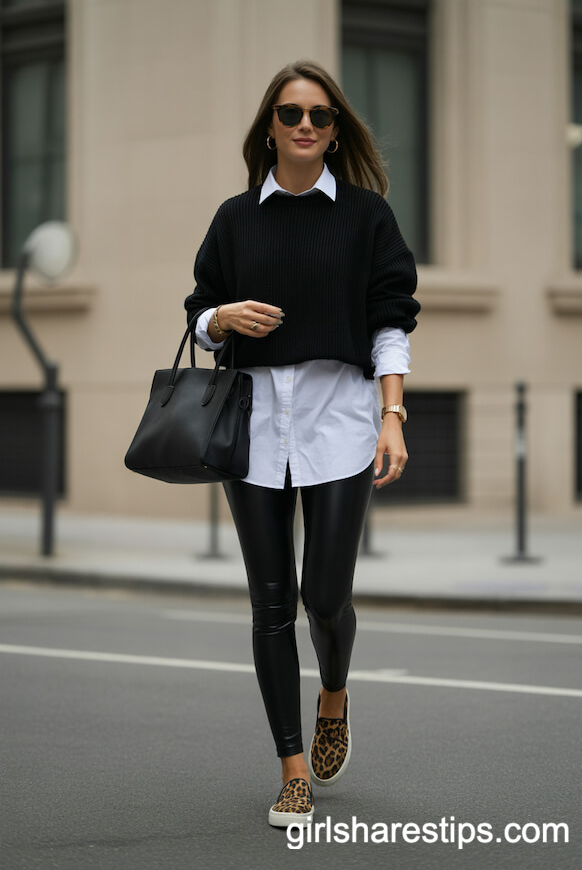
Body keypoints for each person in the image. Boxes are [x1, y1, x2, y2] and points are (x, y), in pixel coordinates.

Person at [184, 60, 420, 828]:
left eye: (321, 115)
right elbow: (197, 309)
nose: (307, 126)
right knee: (271, 604)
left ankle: (335, 693)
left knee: (326, 595)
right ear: (270, 129)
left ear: (336, 128)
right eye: (291, 114)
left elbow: (391, 318)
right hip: (252, 426)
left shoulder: (365, 217)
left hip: (340, 423)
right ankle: (292, 771)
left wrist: (393, 414)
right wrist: (221, 320)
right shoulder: (233, 219)